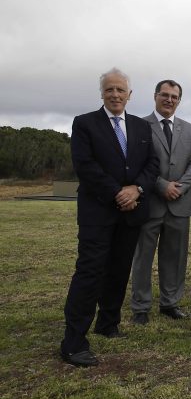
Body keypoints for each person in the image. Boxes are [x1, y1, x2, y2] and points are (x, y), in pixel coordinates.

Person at [60, 68, 159, 367]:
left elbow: (153, 164)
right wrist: (118, 193)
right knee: (90, 272)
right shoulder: (85, 124)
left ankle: (108, 323)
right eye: (109, 90)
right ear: (101, 93)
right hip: (98, 212)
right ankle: (73, 341)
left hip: (131, 214)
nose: (115, 94)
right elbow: (85, 166)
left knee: (119, 270)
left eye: (120, 90)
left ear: (130, 94)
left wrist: (137, 189)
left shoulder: (142, 127)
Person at [131, 80, 191, 325]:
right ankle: (140, 306)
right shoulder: (139, 125)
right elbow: (137, 162)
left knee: (175, 256)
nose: (169, 100)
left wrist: (180, 187)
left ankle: (170, 303)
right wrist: (162, 186)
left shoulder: (190, 129)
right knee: (143, 257)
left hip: (180, 204)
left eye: (174, 96)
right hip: (150, 202)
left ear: (179, 100)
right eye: (165, 95)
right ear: (155, 96)